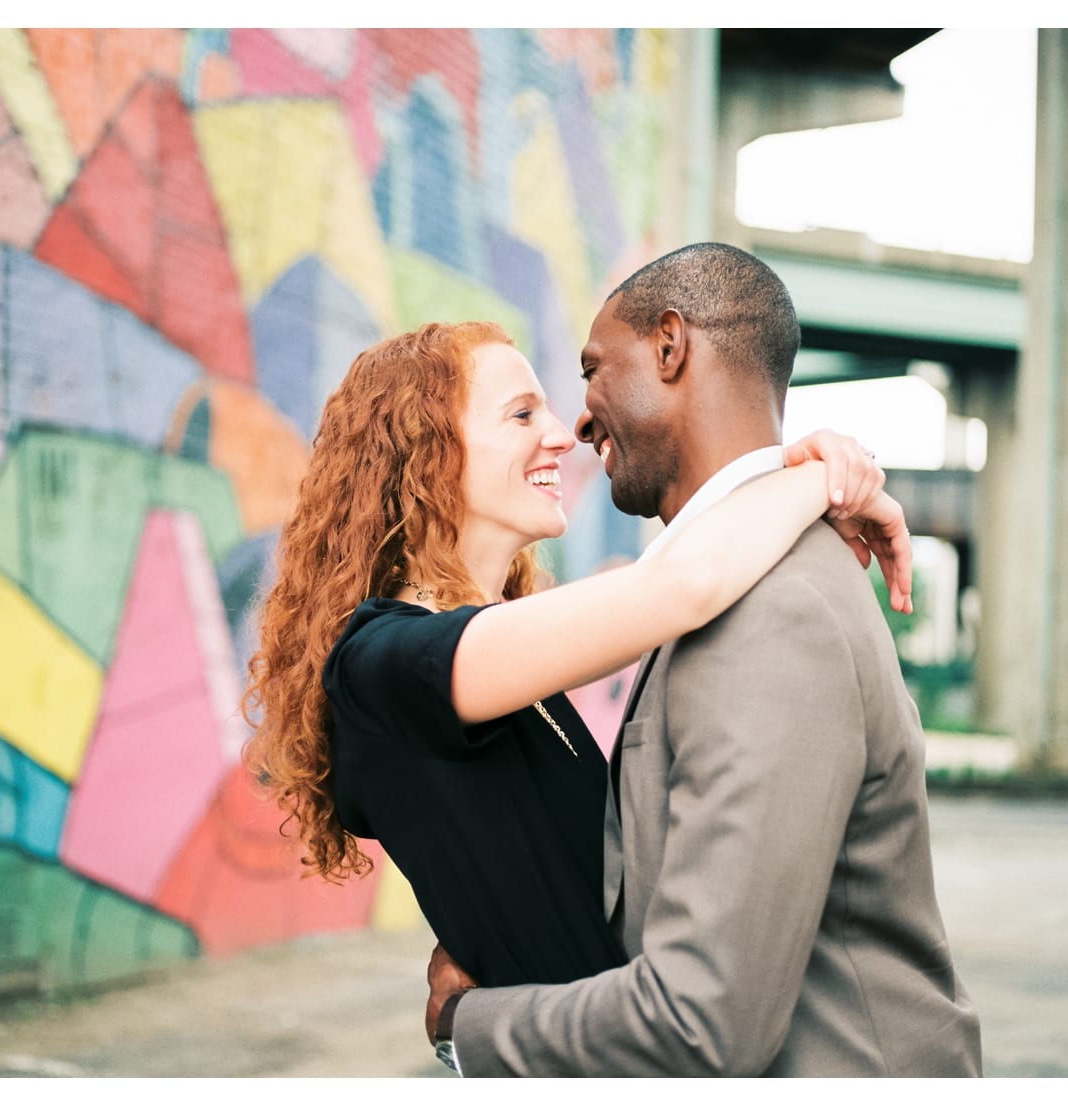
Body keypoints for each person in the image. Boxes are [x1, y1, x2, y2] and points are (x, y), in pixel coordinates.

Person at [424, 244, 983, 1076]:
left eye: (592, 371)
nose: (578, 421)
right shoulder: (726, 578)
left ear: (671, 346)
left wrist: (465, 1027)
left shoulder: (775, 610)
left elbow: (701, 1022)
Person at [243, 317, 909, 1005]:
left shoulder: (489, 657)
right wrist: (825, 478)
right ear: (428, 451)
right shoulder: (382, 663)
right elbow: (682, 586)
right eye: (522, 414)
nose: (563, 435)